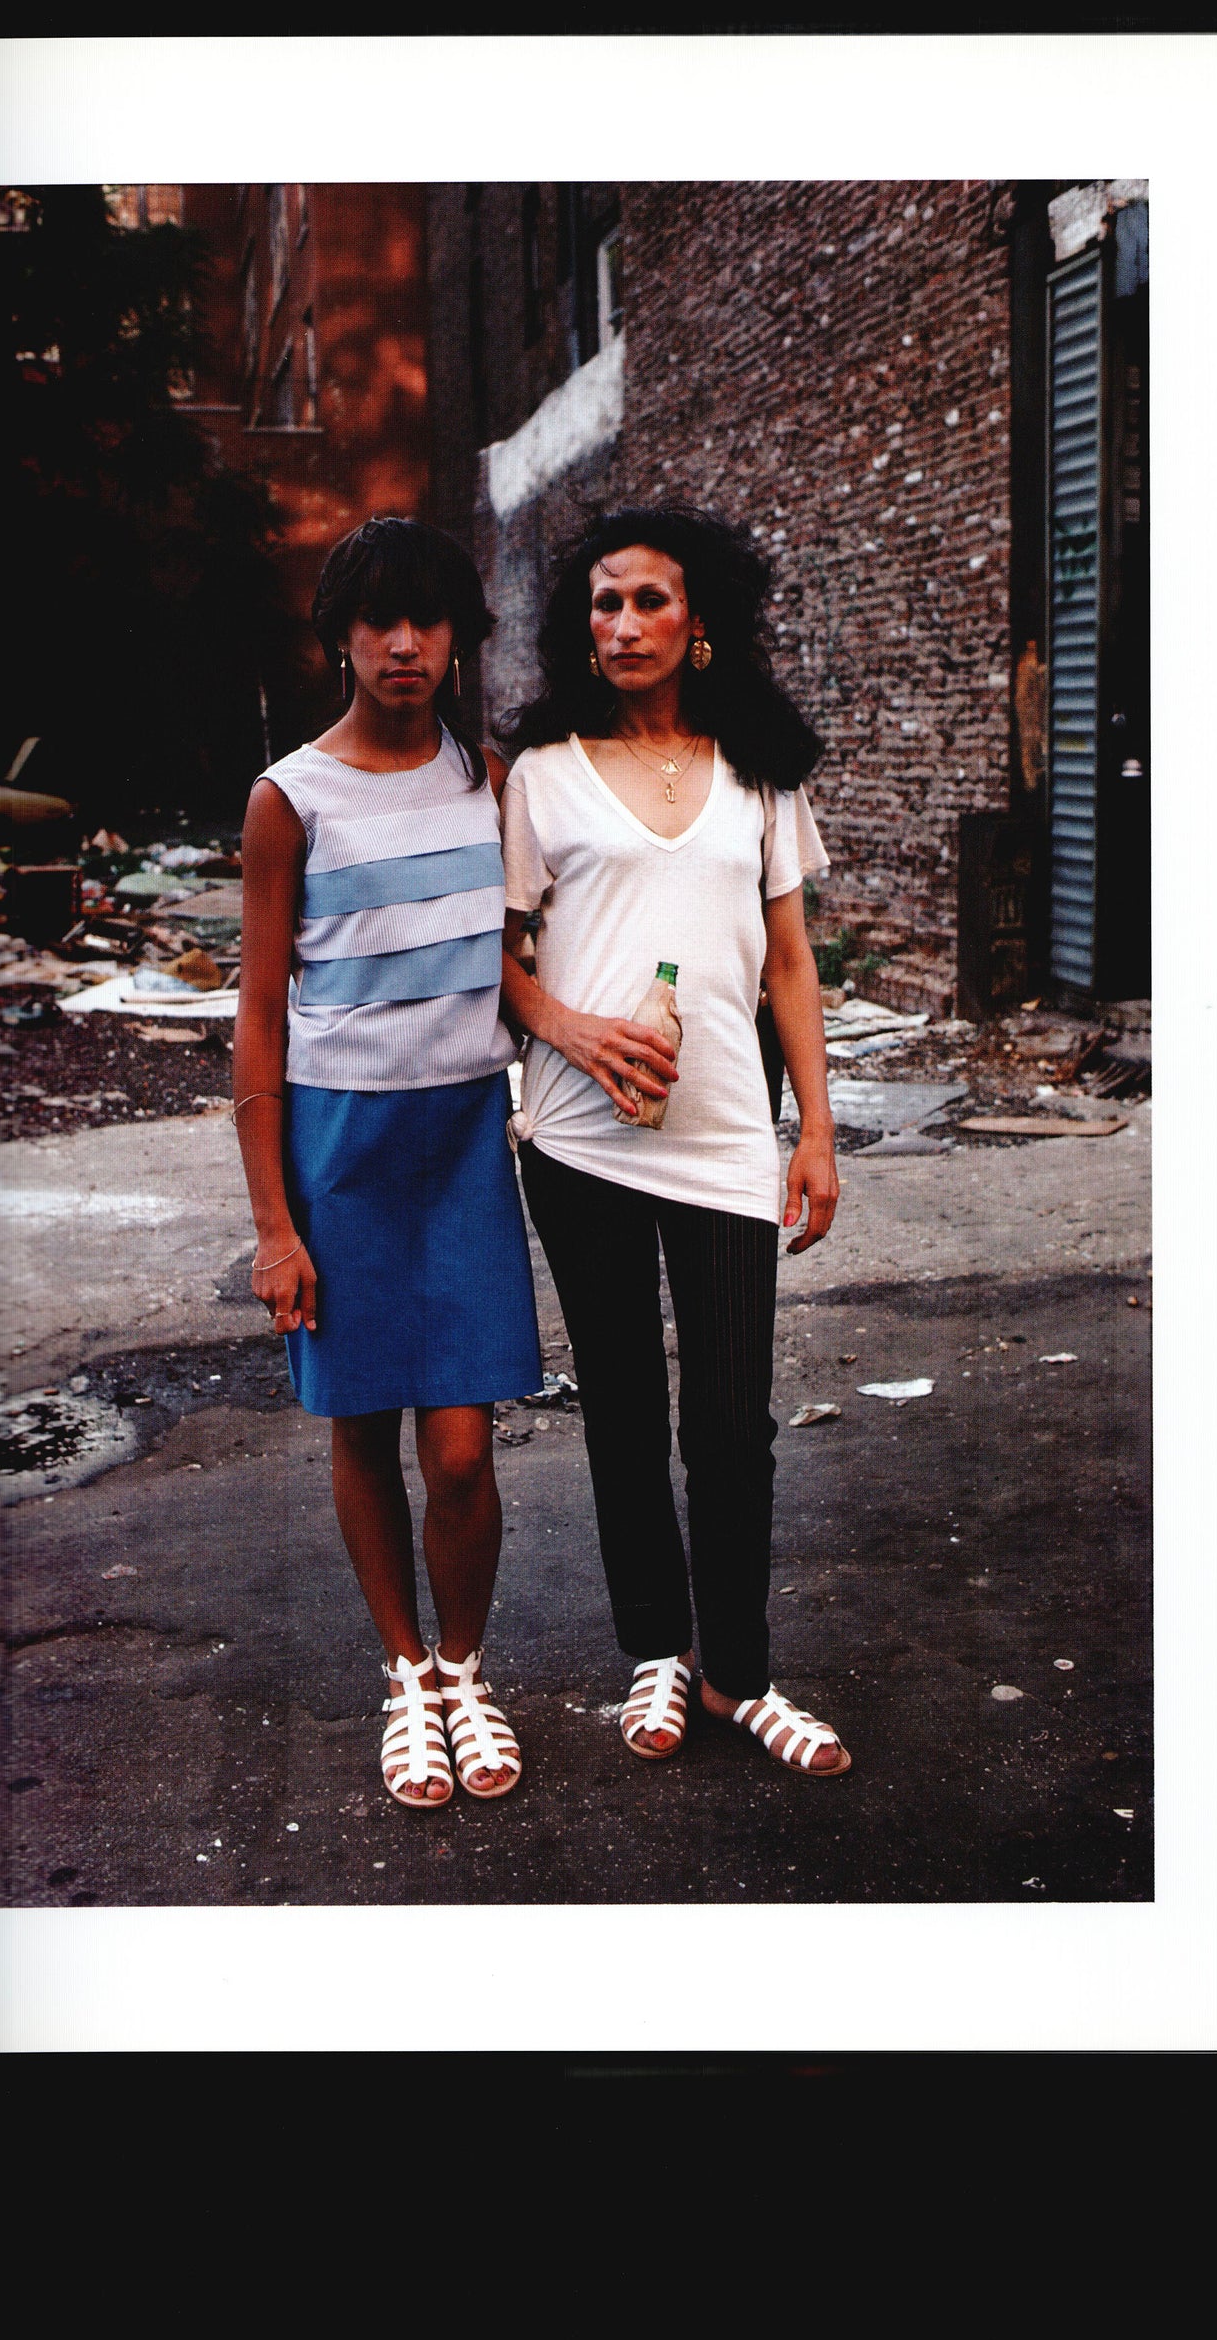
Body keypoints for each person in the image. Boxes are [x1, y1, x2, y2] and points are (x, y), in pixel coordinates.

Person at [499, 505, 851, 1778]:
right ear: (580, 624)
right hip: (578, 1138)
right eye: (605, 601)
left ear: (698, 619)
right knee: (622, 1408)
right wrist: (571, 1031)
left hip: (722, 1137)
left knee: (731, 1421)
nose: (626, 622)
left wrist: (814, 1131)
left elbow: (791, 965)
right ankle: (654, 1650)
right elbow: (499, 959)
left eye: (650, 599)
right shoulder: (539, 774)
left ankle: (736, 1674)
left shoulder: (757, 771)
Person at [232, 518, 541, 1812]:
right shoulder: (289, 796)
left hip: (461, 1140)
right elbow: (257, 1018)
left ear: (460, 639)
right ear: (340, 638)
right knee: (362, 1423)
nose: (403, 643)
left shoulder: (490, 779)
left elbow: (518, 961)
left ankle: (464, 1670)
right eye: (378, 620)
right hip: (340, 1147)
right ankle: (405, 1675)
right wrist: (273, 1224)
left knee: (461, 1449)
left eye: (427, 620)